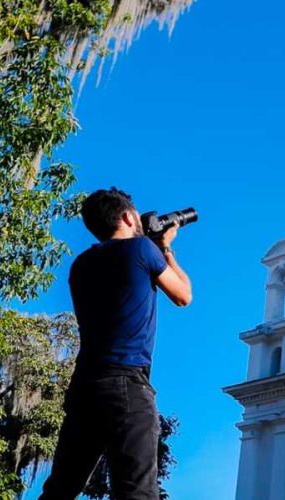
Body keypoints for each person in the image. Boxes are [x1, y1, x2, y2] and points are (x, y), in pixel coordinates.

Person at [40, 188, 192, 500]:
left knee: (61, 489)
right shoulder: (141, 250)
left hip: (84, 386)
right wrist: (165, 248)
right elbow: (183, 295)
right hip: (125, 384)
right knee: (135, 491)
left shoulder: (80, 265)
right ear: (126, 217)